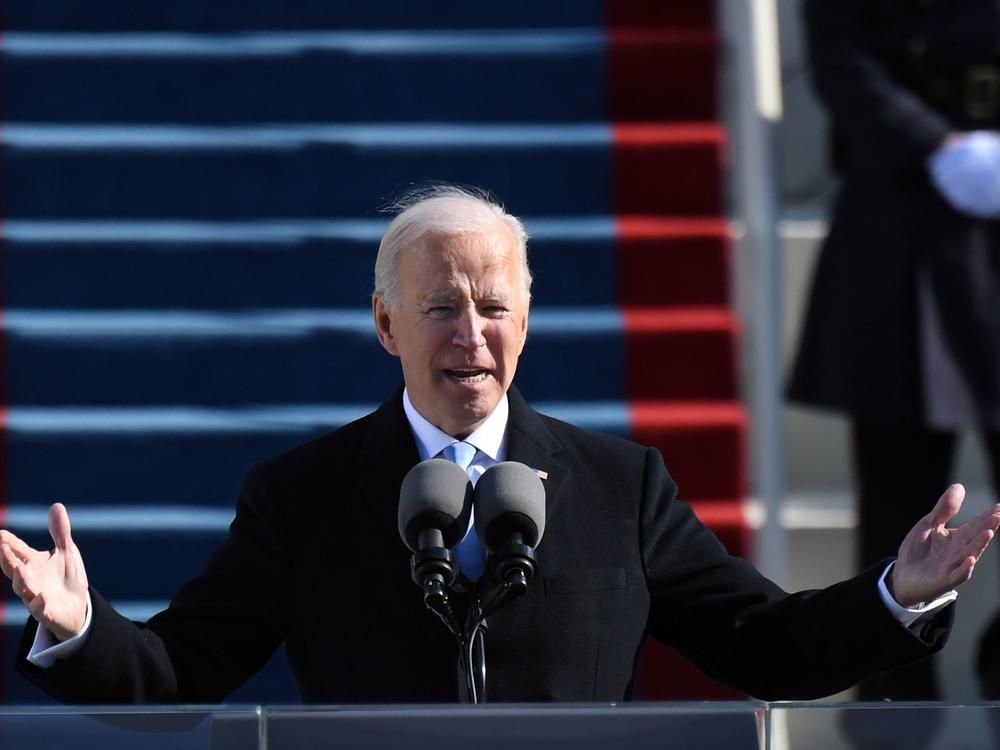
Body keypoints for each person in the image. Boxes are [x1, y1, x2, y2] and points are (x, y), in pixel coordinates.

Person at [2, 186, 999, 704]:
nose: (469, 336)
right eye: (438, 309)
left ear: (527, 320)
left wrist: (899, 596)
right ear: (385, 327)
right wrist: (81, 625)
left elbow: (764, 647)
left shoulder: (619, 484)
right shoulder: (300, 493)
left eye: (492, 306)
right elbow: (185, 667)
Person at [789, 0, 1000, 700]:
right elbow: (843, 55)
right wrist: (932, 145)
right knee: (901, 521)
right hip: (903, 231)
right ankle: (893, 721)